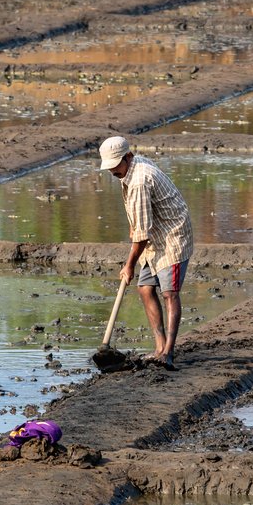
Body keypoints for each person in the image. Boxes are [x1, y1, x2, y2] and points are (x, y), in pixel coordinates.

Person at [99, 136, 193, 370]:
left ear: (128, 157)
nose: (112, 171)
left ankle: (168, 352)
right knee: (145, 288)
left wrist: (129, 264)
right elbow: (139, 219)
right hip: (154, 237)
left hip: (172, 237)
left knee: (169, 293)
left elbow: (142, 234)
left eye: (115, 165)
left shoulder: (139, 180)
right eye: (109, 167)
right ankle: (159, 346)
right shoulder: (130, 169)